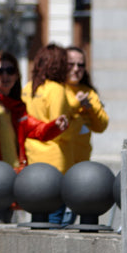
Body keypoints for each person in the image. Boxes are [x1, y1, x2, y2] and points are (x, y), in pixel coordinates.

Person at [0, 50, 68, 222]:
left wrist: (55, 126)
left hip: (14, 177)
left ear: (17, 75)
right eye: (0, 71)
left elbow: (35, 128)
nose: (5, 76)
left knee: (9, 228)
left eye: (10, 71)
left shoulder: (15, 106)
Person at [22, 43, 81, 224]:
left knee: (37, 219)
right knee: (54, 221)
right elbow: (59, 129)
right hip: (55, 164)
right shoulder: (57, 89)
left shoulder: (28, 88)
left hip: (33, 160)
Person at [60, 46, 109, 166]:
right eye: (70, 64)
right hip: (60, 163)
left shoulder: (89, 92)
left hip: (82, 164)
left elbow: (102, 125)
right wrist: (76, 105)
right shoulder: (56, 89)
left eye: (80, 65)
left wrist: (90, 109)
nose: (76, 69)